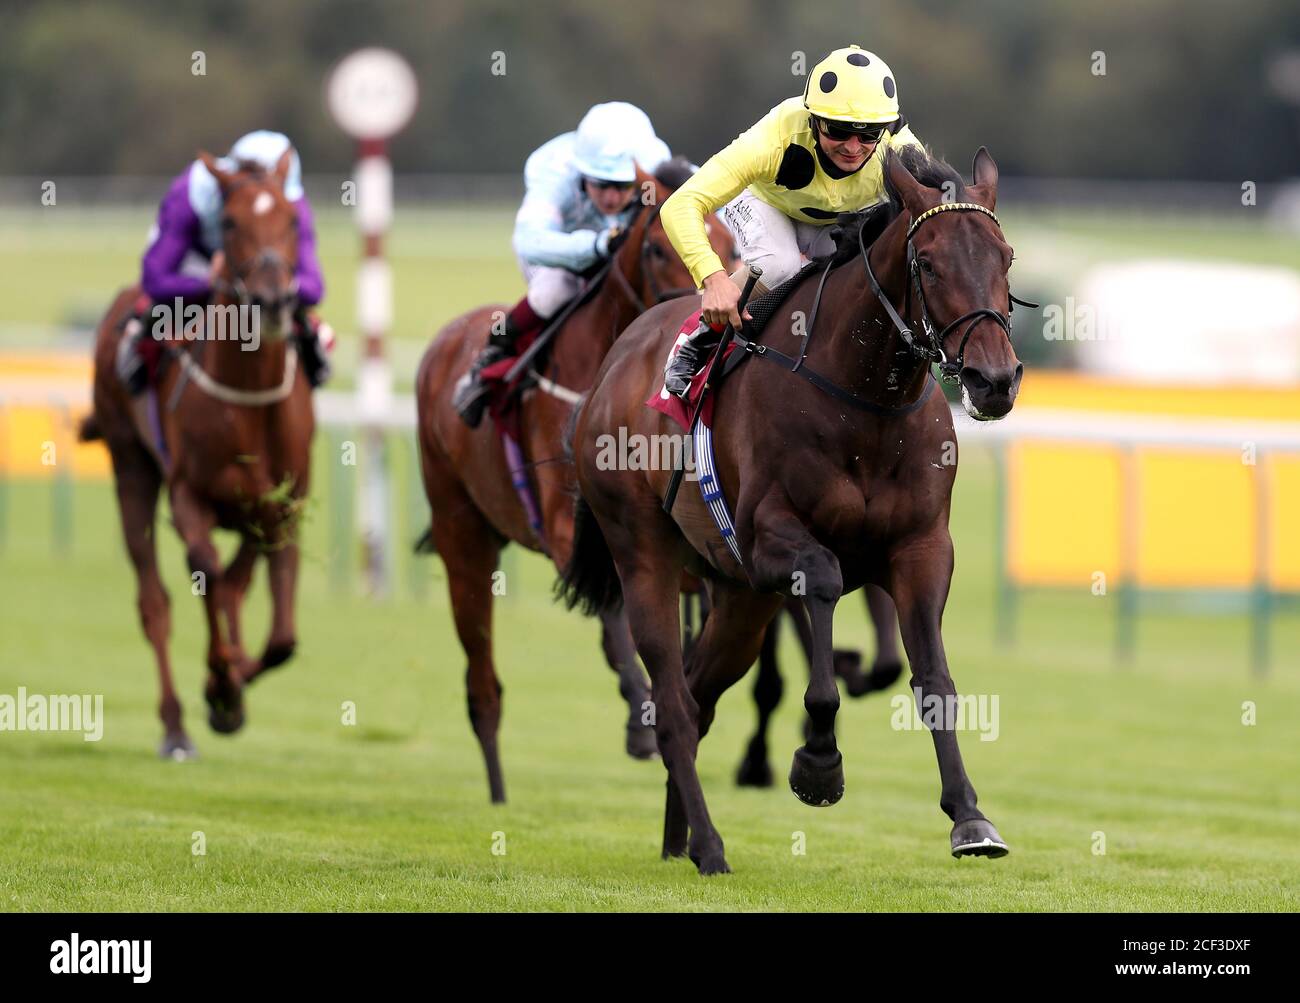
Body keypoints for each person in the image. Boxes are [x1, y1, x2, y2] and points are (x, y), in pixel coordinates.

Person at [659, 45, 924, 396]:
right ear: (813, 120)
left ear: (887, 128)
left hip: (837, 222)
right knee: (778, 264)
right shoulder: (775, 138)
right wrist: (713, 278)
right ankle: (699, 338)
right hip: (766, 204)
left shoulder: (900, 149)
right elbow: (679, 205)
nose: (853, 146)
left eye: (868, 134)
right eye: (838, 131)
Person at [452, 102, 670, 428]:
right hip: (558, 256)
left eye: (622, 186)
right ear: (582, 173)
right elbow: (530, 240)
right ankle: (494, 353)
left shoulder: (654, 164)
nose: (611, 198)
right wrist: (596, 245)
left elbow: (712, 204)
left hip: (620, 252)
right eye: (600, 184)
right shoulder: (556, 174)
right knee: (557, 289)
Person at [117, 130, 332, 394]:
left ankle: (313, 359)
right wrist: (210, 283)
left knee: (293, 312)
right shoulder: (191, 192)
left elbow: (313, 288)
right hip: (199, 261)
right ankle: (137, 348)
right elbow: (155, 279)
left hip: (260, 274)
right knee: (161, 311)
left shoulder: (291, 204)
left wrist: (279, 287)